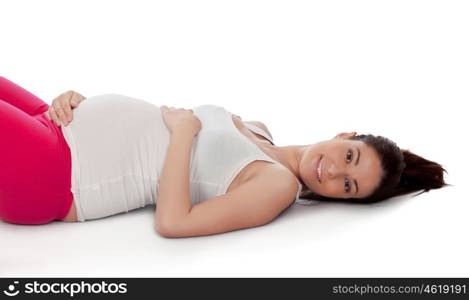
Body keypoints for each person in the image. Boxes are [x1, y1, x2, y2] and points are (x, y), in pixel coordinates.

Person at [0, 76, 449, 237]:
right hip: (55, 123)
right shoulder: (259, 130)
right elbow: (143, 132)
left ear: (342, 200)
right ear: (344, 134)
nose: (333, 171)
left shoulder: (276, 187)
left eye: (347, 186)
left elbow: (174, 222)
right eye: (349, 157)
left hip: (57, 173)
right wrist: (79, 101)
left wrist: (184, 133)